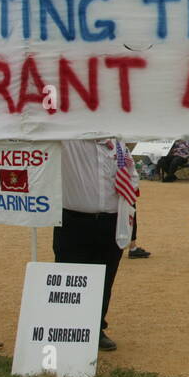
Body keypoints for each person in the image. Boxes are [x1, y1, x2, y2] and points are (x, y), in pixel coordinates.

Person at [54, 139, 131, 351]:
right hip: (74, 222)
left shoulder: (116, 143)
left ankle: (96, 328)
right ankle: (67, 328)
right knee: (70, 278)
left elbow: (130, 173)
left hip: (111, 222)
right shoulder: (70, 140)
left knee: (105, 278)